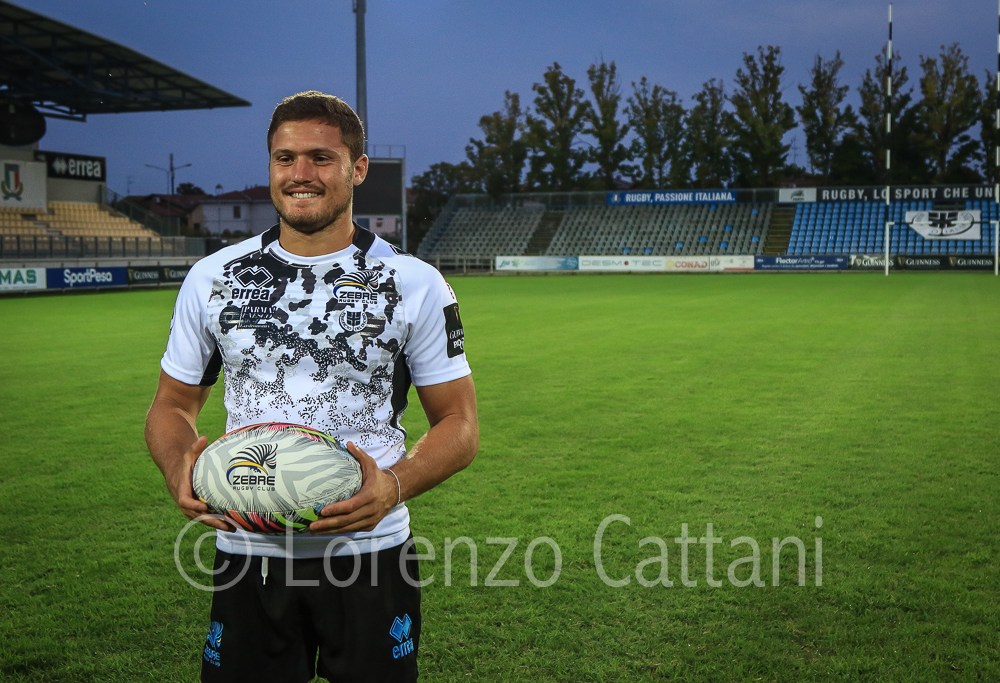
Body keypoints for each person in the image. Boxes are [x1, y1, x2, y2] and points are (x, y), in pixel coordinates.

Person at [145, 90, 478, 682]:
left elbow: (460, 424)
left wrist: (393, 486)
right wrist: (178, 469)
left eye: (321, 158)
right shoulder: (214, 278)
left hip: (369, 552)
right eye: (285, 158)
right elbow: (171, 405)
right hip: (249, 550)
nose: (300, 174)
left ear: (358, 169)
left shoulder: (414, 283)